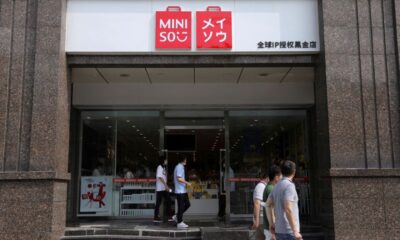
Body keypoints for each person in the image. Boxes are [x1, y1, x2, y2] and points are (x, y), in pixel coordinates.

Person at [266, 160, 302, 240]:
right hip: (289, 231)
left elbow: (268, 204)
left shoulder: (276, 186)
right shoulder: (289, 186)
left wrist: (271, 223)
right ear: (294, 171)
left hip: (279, 230)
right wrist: (295, 231)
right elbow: (288, 209)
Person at [263, 165, 282, 240]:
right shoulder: (271, 189)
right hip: (271, 227)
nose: (282, 178)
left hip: (270, 227)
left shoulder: (269, 187)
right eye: (281, 176)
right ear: (276, 177)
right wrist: (273, 226)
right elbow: (272, 208)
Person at [173, 155, 192, 228]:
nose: (186, 161)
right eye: (185, 159)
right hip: (180, 191)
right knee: (181, 207)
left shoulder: (178, 166)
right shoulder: (180, 167)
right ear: (183, 160)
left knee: (187, 204)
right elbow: (179, 178)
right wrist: (188, 183)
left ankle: (177, 216)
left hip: (182, 190)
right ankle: (179, 222)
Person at [154, 155, 172, 222]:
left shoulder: (163, 167)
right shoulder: (159, 167)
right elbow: (160, 177)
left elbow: (163, 177)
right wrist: (166, 185)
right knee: (159, 202)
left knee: (168, 200)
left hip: (163, 188)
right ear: (163, 160)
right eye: (166, 160)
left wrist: (166, 186)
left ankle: (169, 216)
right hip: (160, 188)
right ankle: (156, 217)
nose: (166, 161)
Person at [251, 170, 269, 240]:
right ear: (267, 178)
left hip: (263, 219)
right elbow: (257, 203)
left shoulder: (264, 186)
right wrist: (257, 220)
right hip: (261, 219)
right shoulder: (260, 187)